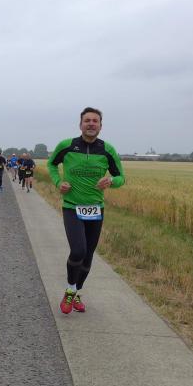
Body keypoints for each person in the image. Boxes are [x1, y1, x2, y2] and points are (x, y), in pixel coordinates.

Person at [47, 107, 125, 314]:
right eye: (87, 120)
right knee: (78, 251)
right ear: (80, 124)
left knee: (88, 256)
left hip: (95, 209)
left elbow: (121, 177)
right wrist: (58, 182)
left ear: (100, 126)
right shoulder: (67, 146)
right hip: (72, 207)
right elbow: (51, 164)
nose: (91, 124)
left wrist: (111, 181)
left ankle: (75, 292)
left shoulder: (107, 150)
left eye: (95, 121)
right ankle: (71, 290)